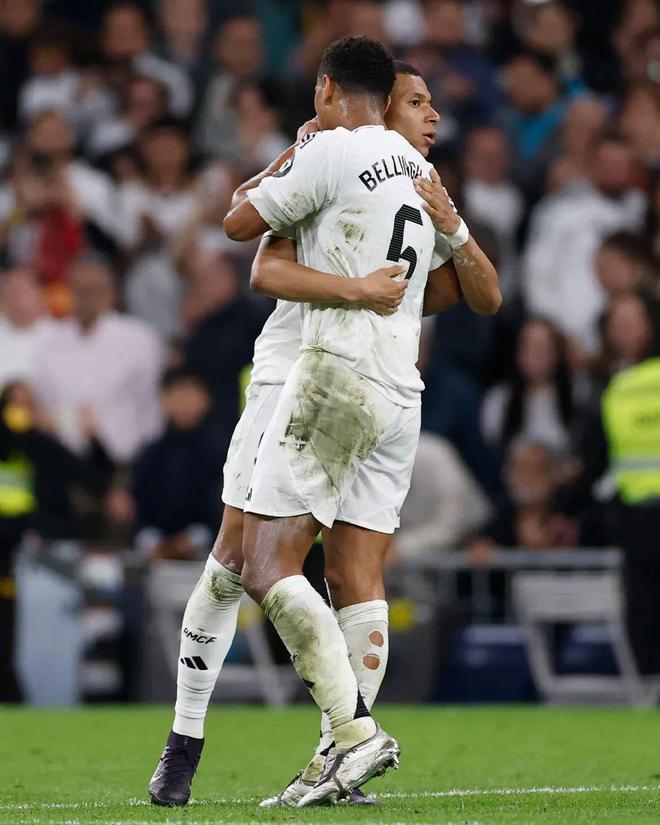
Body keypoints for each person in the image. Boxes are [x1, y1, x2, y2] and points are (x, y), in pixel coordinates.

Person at [148, 50, 500, 808]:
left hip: (313, 375)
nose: (431, 115)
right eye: (418, 101)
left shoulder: (343, 154)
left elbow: (249, 245)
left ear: (332, 91)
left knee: (253, 562)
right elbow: (462, 292)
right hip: (391, 390)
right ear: (388, 103)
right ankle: (298, 758)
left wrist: (362, 285)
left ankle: (347, 733)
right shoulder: (416, 178)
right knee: (345, 576)